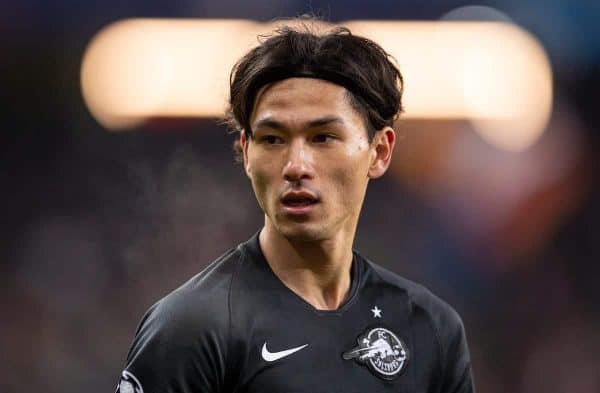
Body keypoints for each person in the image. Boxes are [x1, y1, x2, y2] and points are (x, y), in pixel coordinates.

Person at [115, 20, 475, 393]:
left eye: (323, 137)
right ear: (247, 152)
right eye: (272, 139)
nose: (296, 166)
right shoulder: (191, 328)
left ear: (379, 151)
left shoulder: (429, 329)